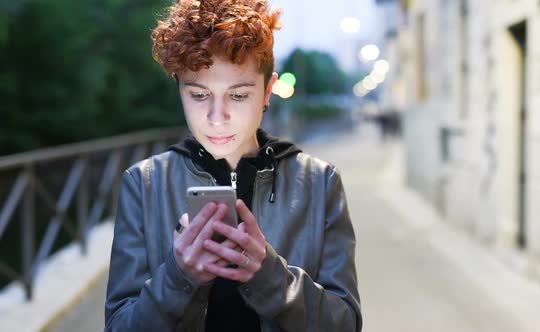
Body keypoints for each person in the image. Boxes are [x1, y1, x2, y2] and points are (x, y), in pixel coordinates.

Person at [104, 0, 361, 331]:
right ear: (180, 90)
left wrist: (268, 276)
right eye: (199, 95)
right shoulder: (143, 183)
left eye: (238, 96)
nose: (216, 118)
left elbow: (345, 323)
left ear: (268, 91)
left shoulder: (320, 182)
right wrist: (179, 277)